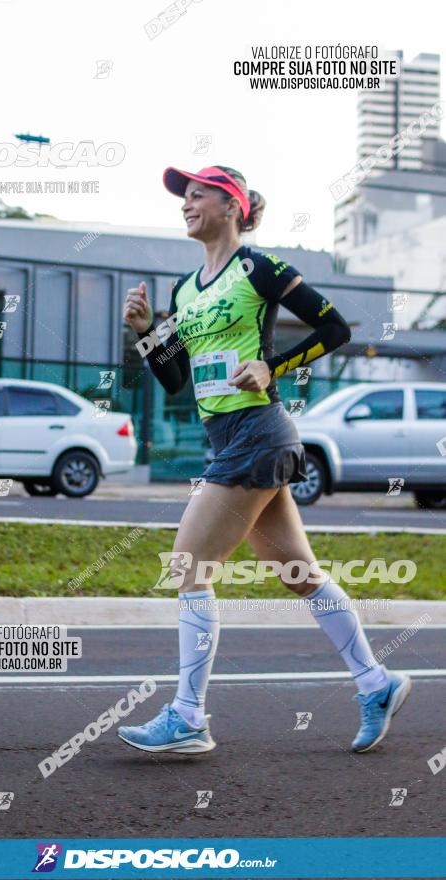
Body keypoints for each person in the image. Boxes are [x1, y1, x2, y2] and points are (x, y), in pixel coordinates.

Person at [118, 164, 411, 755]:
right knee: (298, 574)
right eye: (184, 196)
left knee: (188, 564)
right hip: (230, 439)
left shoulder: (256, 268)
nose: (186, 203)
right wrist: (149, 334)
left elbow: (334, 328)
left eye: (197, 194)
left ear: (232, 205)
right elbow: (175, 380)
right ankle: (376, 683)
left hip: (259, 431)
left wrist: (271, 367)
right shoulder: (184, 289)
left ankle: (188, 717)